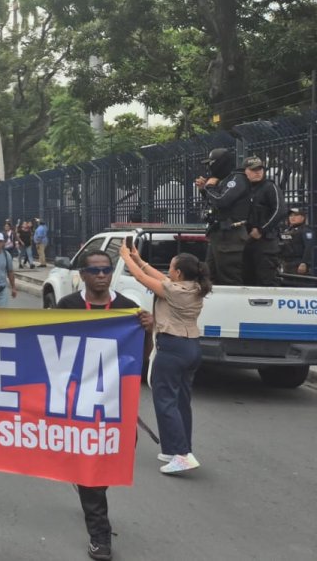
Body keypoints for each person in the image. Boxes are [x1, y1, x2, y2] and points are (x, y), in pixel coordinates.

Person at [54, 250, 156, 561]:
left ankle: (90, 488)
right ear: (82, 275)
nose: (101, 275)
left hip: (117, 406)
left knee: (110, 463)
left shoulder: (127, 309)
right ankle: (100, 536)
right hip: (78, 403)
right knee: (93, 471)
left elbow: (141, 356)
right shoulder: (67, 306)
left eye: (106, 270)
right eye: (94, 270)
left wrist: (148, 330)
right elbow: (51, 349)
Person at [119, 243, 211, 476]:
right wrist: (138, 259)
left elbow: (141, 278)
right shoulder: (193, 286)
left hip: (172, 348)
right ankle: (178, 449)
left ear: (178, 273)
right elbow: (157, 277)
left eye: (171, 267)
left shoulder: (175, 291)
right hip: (191, 348)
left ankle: (181, 454)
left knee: (165, 400)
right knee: (181, 401)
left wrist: (125, 259)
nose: (168, 271)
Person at [196, 147, 251, 285]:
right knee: (210, 275)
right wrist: (204, 190)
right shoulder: (223, 180)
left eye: (211, 163)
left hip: (231, 235)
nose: (209, 167)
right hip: (218, 234)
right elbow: (214, 203)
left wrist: (209, 187)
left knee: (229, 278)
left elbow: (222, 201)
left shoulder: (237, 178)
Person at [242, 156, 286, 287]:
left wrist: (261, 229)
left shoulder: (269, 187)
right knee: (247, 281)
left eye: (260, 169)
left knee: (267, 281)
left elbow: (280, 210)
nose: (258, 172)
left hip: (266, 241)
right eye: (253, 169)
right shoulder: (244, 189)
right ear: (245, 171)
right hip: (247, 241)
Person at [279, 206, 314, 276]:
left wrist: (304, 263)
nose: (292, 217)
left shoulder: (306, 231)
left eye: (296, 215)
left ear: (302, 217)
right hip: (286, 263)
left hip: (298, 263)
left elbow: (309, 248)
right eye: (291, 215)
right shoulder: (286, 231)